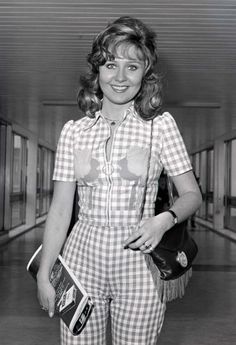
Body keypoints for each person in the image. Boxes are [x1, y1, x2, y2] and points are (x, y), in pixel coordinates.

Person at [37, 16, 202, 345]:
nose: (121, 77)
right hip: (81, 259)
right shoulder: (74, 132)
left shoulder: (160, 126)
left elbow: (191, 195)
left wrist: (162, 221)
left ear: (145, 73)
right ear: (98, 70)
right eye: (111, 64)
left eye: (133, 66)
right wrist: (44, 271)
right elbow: (59, 211)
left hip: (139, 264)